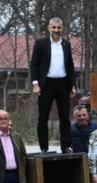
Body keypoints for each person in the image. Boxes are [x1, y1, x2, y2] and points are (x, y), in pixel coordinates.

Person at [29, 17, 77, 153]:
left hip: (63, 83)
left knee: (64, 117)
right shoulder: (41, 43)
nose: (56, 30)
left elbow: (70, 65)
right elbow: (33, 64)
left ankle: (65, 146)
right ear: (49, 28)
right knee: (43, 116)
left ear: (62, 28)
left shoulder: (66, 44)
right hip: (46, 84)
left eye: (59, 27)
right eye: (54, 27)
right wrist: (35, 84)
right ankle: (44, 147)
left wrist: (73, 84)